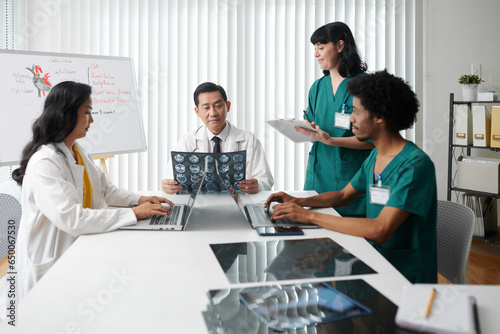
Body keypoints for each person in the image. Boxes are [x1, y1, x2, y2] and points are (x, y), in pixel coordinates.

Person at [265, 70, 438, 284]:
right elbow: (342, 195)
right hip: (373, 262)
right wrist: (298, 201)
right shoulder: (376, 154)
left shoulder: (414, 165)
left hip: (405, 277)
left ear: (380, 116)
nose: (351, 119)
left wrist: (309, 216)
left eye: (356, 112)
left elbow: (380, 229)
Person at [11, 81, 173, 299]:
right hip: (50, 265)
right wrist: (133, 213)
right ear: (67, 114)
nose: (92, 120)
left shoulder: (77, 150)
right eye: (87, 112)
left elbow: (106, 190)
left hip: (78, 251)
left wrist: (140, 198)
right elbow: (72, 219)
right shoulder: (45, 162)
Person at [298, 22, 374, 217]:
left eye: (321, 48)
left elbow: (374, 141)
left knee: (350, 243)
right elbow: (316, 128)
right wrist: (306, 130)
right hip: (318, 176)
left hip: (349, 179)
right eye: (314, 48)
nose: (316, 54)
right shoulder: (317, 87)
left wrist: (332, 140)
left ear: (340, 46)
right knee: (314, 240)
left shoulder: (364, 86)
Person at [162, 82, 274, 194]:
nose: (213, 113)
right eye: (206, 107)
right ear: (197, 112)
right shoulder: (187, 140)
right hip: (199, 207)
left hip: (237, 207)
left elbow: (266, 181)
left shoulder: (249, 140)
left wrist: (258, 185)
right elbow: (170, 178)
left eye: (218, 106)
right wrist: (168, 186)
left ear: (228, 106)